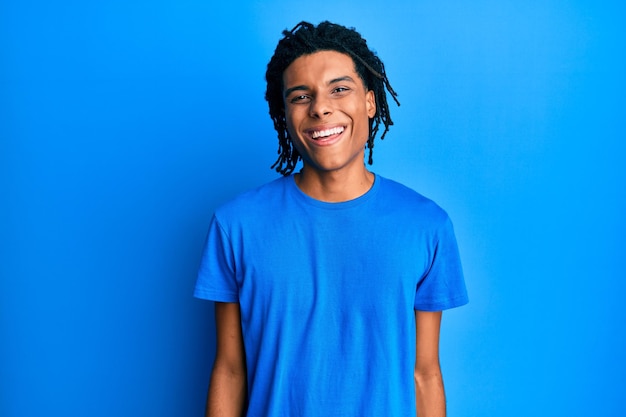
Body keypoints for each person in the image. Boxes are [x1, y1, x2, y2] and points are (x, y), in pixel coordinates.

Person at [194, 21, 468, 417]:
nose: (320, 107)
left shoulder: (427, 226)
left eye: (340, 89)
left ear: (370, 103)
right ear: (284, 114)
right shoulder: (235, 225)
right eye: (301, 96)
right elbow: (231, 370)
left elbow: (424, 374)